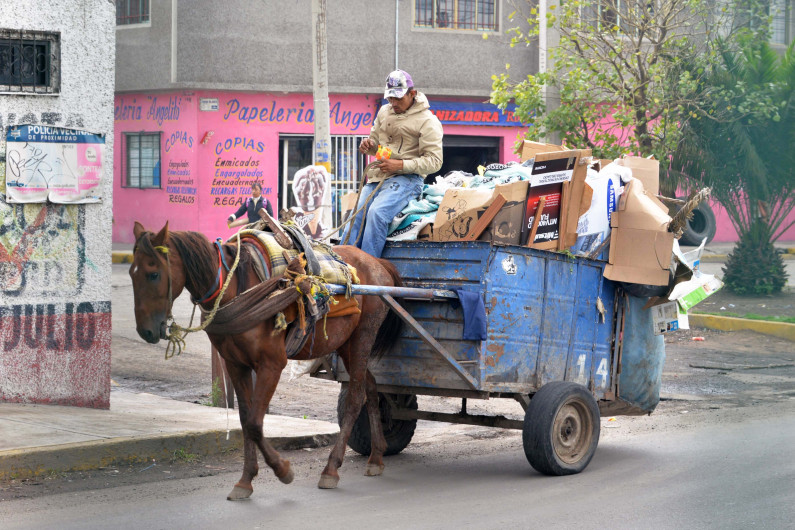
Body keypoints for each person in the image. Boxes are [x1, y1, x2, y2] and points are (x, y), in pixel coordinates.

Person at [342, 69, 443, 258]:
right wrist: (369, 146)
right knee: (355, 216)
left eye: (398, 99)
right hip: (378, 178)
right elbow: (380, 148)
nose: (394, 104)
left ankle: (367, 268)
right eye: (390, 99)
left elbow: (435, 162)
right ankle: (341, 265)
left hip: (408, 180)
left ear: (412, 94)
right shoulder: (383, 112)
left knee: (376, 214)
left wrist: (400, 165)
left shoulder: (428, 121)